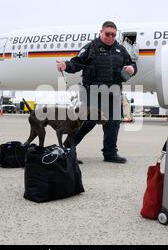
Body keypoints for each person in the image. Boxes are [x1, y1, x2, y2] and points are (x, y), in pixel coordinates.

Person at [56, 21, 137, 163]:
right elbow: (76, 62)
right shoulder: (91, 48)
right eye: (107, 34)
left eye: (113, 34)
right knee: (87, 122)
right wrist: (66, 65)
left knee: (113, 123)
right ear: (101, 32)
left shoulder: (120, 50)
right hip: (92, 92)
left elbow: (131, 64)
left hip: (114, 93)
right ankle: (67, 149)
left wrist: (132, 68)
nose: (110, 37)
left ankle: (110, 154)